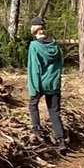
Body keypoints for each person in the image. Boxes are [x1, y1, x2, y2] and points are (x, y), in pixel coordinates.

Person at [27, 16, 65, 150]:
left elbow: (34, 68)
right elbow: (60, 64)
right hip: (54, 84)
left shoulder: (34, 46)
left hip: (40, 83)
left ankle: (37, 131)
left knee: (33, 105)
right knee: (54, 112)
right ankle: (61, 141)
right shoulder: (55, 44)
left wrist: (33, 88)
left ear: (35, 28)